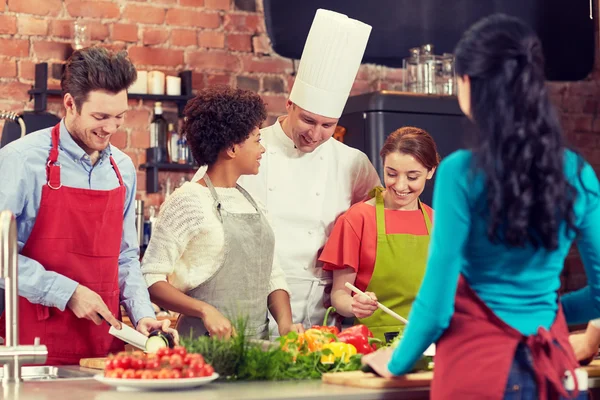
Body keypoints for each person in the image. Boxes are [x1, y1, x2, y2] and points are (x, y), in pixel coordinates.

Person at [363, 14, 600, 399]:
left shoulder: (462, 172)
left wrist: (394, 361)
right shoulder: (578, 172)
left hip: (480, 372)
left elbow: (437, 305)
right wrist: (547, 311)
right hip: (553, 372)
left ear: (469, 82)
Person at [193, 9, 381, 332]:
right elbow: (198, 199)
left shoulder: (353, 163)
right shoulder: (247, 150)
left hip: (323, 320)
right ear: (290, 101)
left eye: (328, 125)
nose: (316, 133)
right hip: (253, 317)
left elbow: (380, 222)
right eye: (308, 120)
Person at [0, 46, 175, 365]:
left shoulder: (122, 169)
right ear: (70, 104)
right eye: (100, 116)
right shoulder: (21, 161)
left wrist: (142, 314)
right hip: (35, 350)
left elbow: (124, 257)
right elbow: (1, 257)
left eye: (119, 116)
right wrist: (67, 292)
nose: (110, 128)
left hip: (104, 350)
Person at [141, 87, 302, 340]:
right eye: (257, 140)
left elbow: (272, 275)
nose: (263, 149)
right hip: (201, 346)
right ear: (232, 148)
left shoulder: (254, 204)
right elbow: (151, 279)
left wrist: (285, 325)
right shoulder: (188, 200)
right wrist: (205, 310)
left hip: (255, 347)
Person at [319, 127, 439, 341]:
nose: (400, 185)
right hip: (370, 343)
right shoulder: (358, 219)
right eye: (391, 174)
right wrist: (354, 305)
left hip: (427, 342)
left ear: (431, 171)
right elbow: (339, 295)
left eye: (412, 176)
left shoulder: (438, 223)